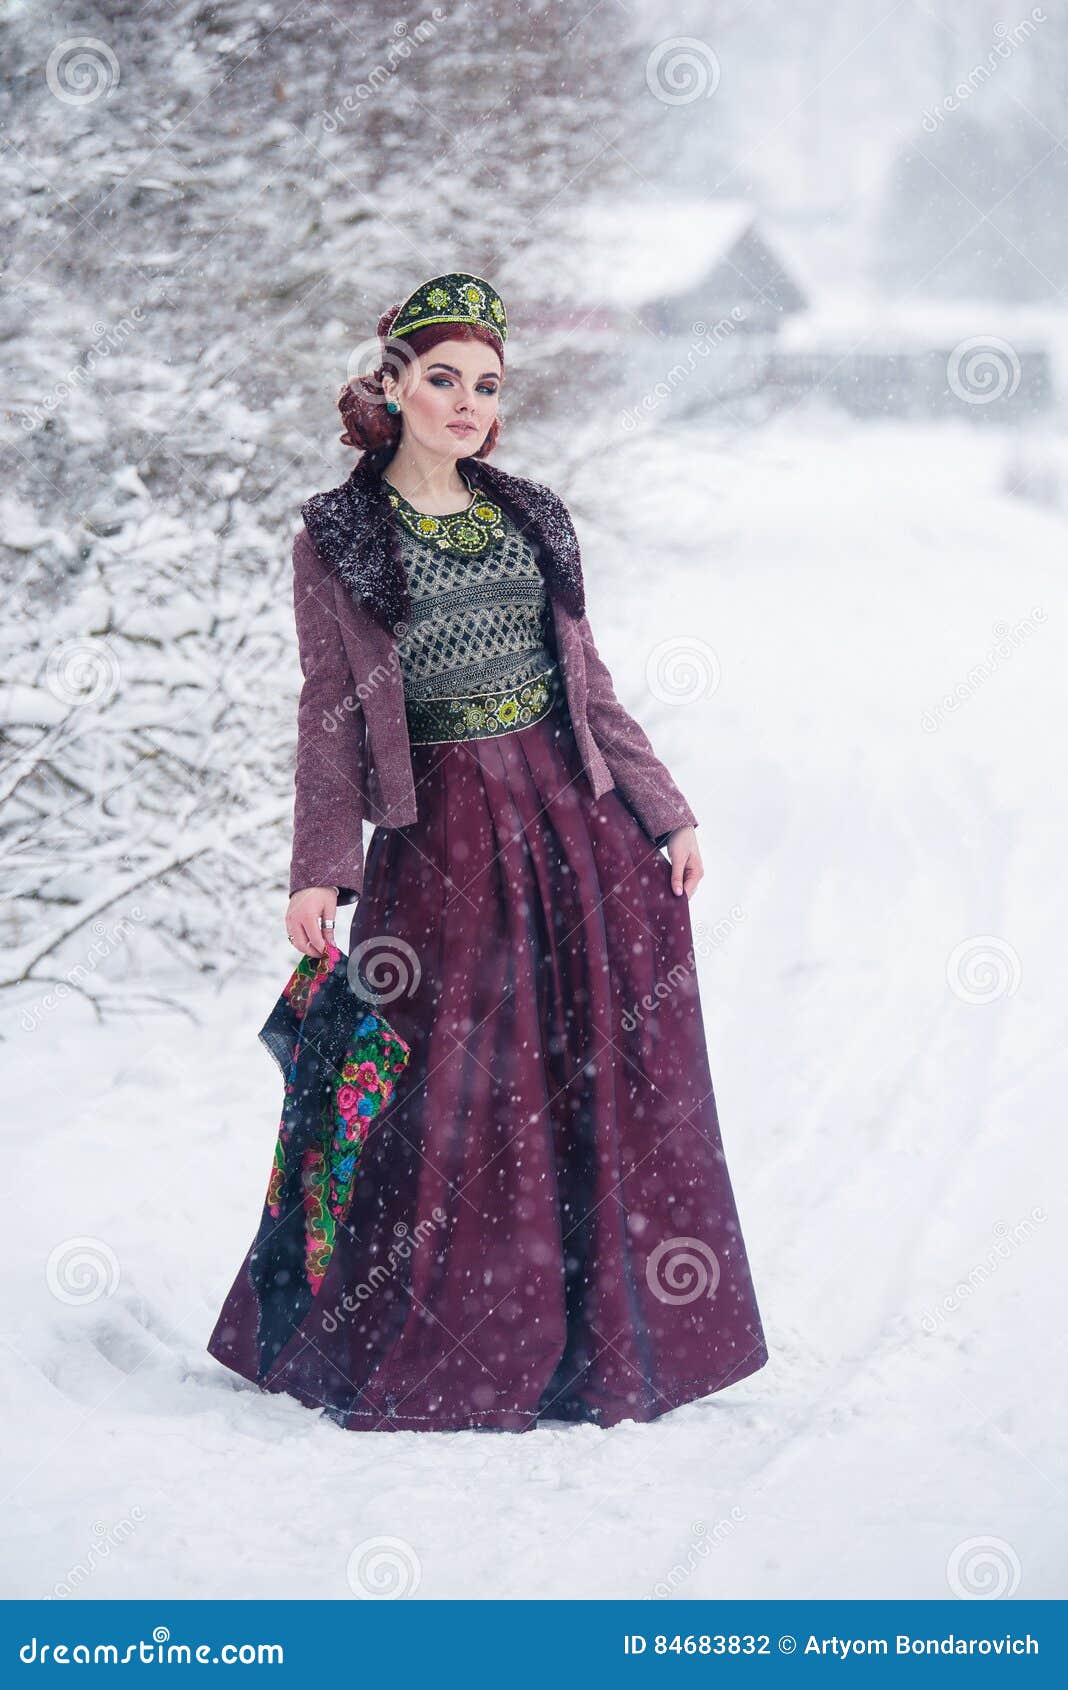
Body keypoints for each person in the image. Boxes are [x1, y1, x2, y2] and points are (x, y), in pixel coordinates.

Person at [207, 271, 768, 1431]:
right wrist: (321, 866)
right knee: (440, 1089)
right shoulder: (337, 538)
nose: (467, 402)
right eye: (445, 378)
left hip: (572, 821)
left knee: (580, 1078)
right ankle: (442, 1333)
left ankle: (598, 1347)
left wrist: (665, 809)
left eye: (488, 385)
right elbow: (331, 713)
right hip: (441, 836)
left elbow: (588, 683)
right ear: (396, 383)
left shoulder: (533, 514)